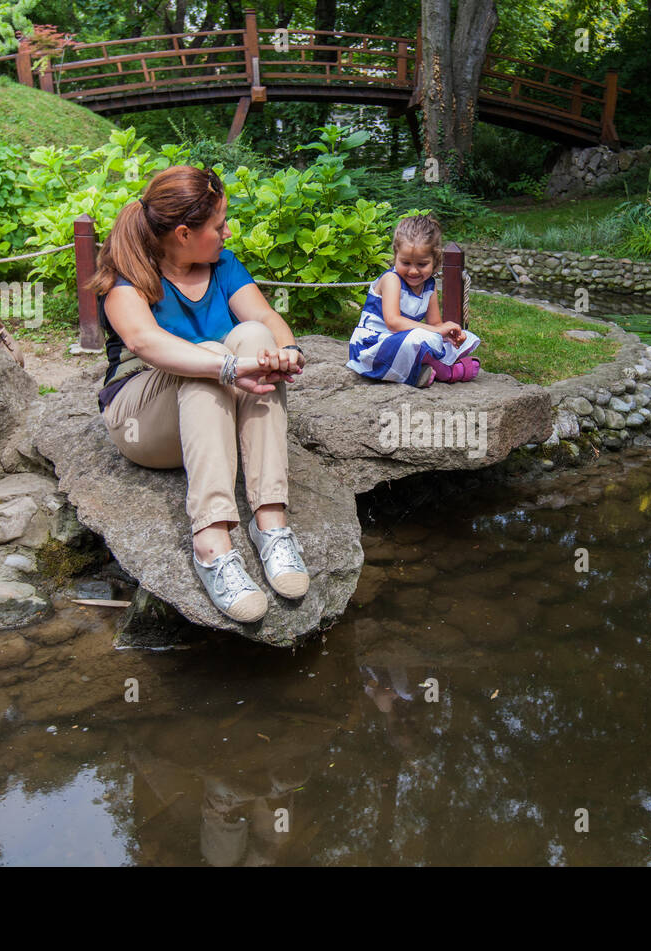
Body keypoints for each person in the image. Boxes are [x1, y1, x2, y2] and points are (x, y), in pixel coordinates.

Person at [90, 165, 308, 625]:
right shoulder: (125, 276)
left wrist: (284, 352)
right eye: (219, 224)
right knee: (206, 355)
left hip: (215, 418)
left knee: (251, 335)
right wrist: (227, 366)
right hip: (147, 423)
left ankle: (270, 520)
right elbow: (145, 343)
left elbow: (265, 318)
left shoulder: (224, 265)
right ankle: (212, 543)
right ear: (185, 233)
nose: (228, 231)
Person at [345, 214, 482, 387]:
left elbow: (435, 324)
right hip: (374, 347)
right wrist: (435, 331)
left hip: (402, 341)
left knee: (444, 338)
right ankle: (447, 372)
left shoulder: (429, 285)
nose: (413, 271)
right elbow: (393, 322)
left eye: (422, 264)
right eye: (406, 262)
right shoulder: (391, 280)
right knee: (418, 337)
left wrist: (447, 334)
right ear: (396, 255)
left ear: (435, 261)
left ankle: (418, 371)